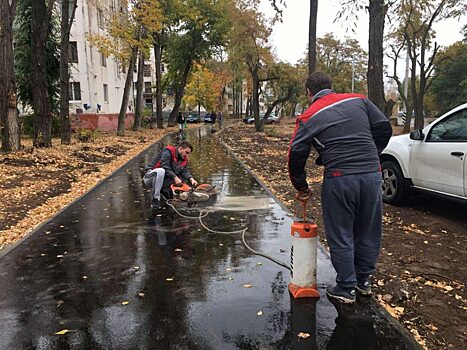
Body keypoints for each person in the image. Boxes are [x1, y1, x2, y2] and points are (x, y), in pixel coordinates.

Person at [288, 71, 392, 304]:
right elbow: (384, 127)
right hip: (372, 175)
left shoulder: (308, 116)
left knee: (341, 232)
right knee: (368, 229)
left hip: (340, 177)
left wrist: (301, 185)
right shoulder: (359, 100)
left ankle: (346, 287)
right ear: (330, 86)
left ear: (308, 92)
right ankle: (364, 281)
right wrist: (372, 154)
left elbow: (295, 154)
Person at [144, 141, 198, 208]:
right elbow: (165, 166)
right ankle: (156, 199)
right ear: (181, 149)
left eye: (188, 154)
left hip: (162, 180)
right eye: (186, 152)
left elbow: (184, 171)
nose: (187, 155)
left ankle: (175, 197)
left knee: (181, 179)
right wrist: (175, 177)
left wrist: (191, 179)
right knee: (161, 171)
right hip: (150, 177)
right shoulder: (168, 151)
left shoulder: (184, 159)